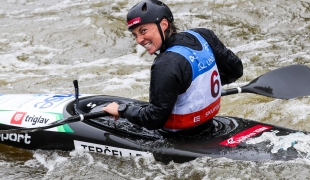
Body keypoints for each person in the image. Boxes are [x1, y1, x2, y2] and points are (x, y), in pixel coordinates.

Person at [102, 0, 243, 133]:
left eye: (143, 31)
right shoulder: (203, 35)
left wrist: (122, 110)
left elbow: (154, 120)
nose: (139, 40)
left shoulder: (166, 63)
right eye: (135, 35)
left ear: (163, 24)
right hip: (209, 125)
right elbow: (236, 70)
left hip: (179, 138)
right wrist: (200, 89)